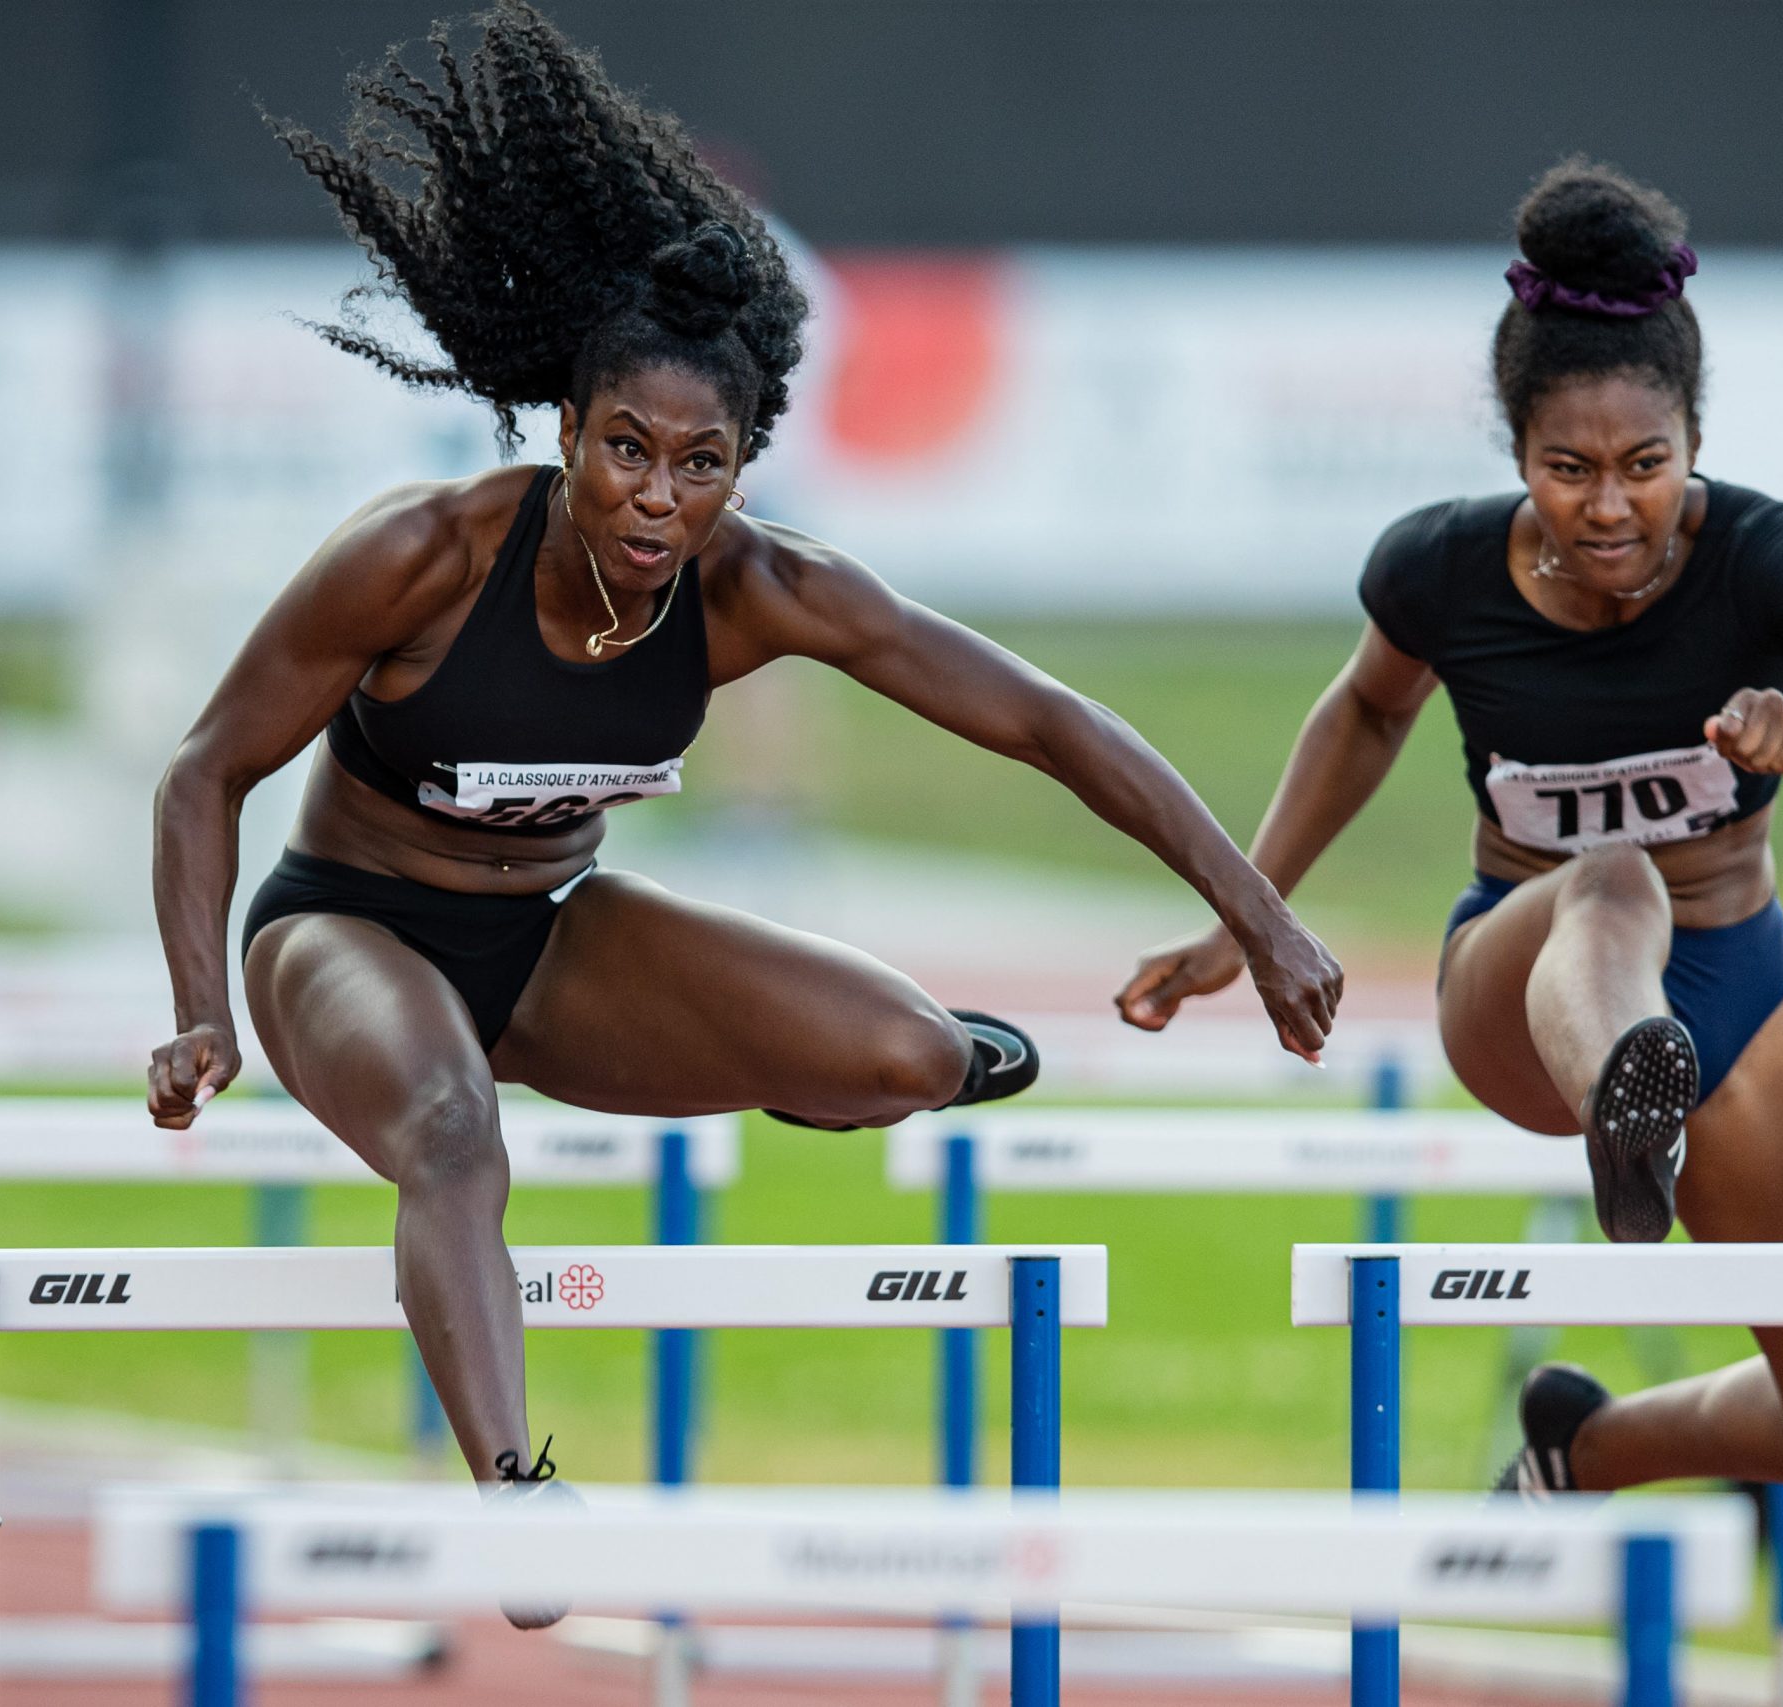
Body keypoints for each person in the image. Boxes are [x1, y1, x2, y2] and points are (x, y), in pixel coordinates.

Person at [144, 0, 1343, 1605]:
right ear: (564, 430)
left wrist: (1256, 917)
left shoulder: (767, 585)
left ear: (745, 461)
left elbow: (1048, 724)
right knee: (451, 1131)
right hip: (348, 938)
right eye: (623, 450)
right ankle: (516, 1498)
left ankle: (827, 1055)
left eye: (697, 464)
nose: (655, 497)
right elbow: (206, 767)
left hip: (555, 946)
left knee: (910, 1055)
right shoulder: (424, 556)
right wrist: (200, 1007)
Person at [1115, 160, 1783, 1499]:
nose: (1607, 507)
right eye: (1565, 469)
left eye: (1646, 468)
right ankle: (1625, 1108)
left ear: (1693, 446)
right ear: (1516, 455)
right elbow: (1362, 717)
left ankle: (1584, 1445)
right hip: (1523, 985)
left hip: (1738, 983)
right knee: (1612, 879)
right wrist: (1249, 914)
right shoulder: (1445, 569)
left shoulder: (1766, 557)